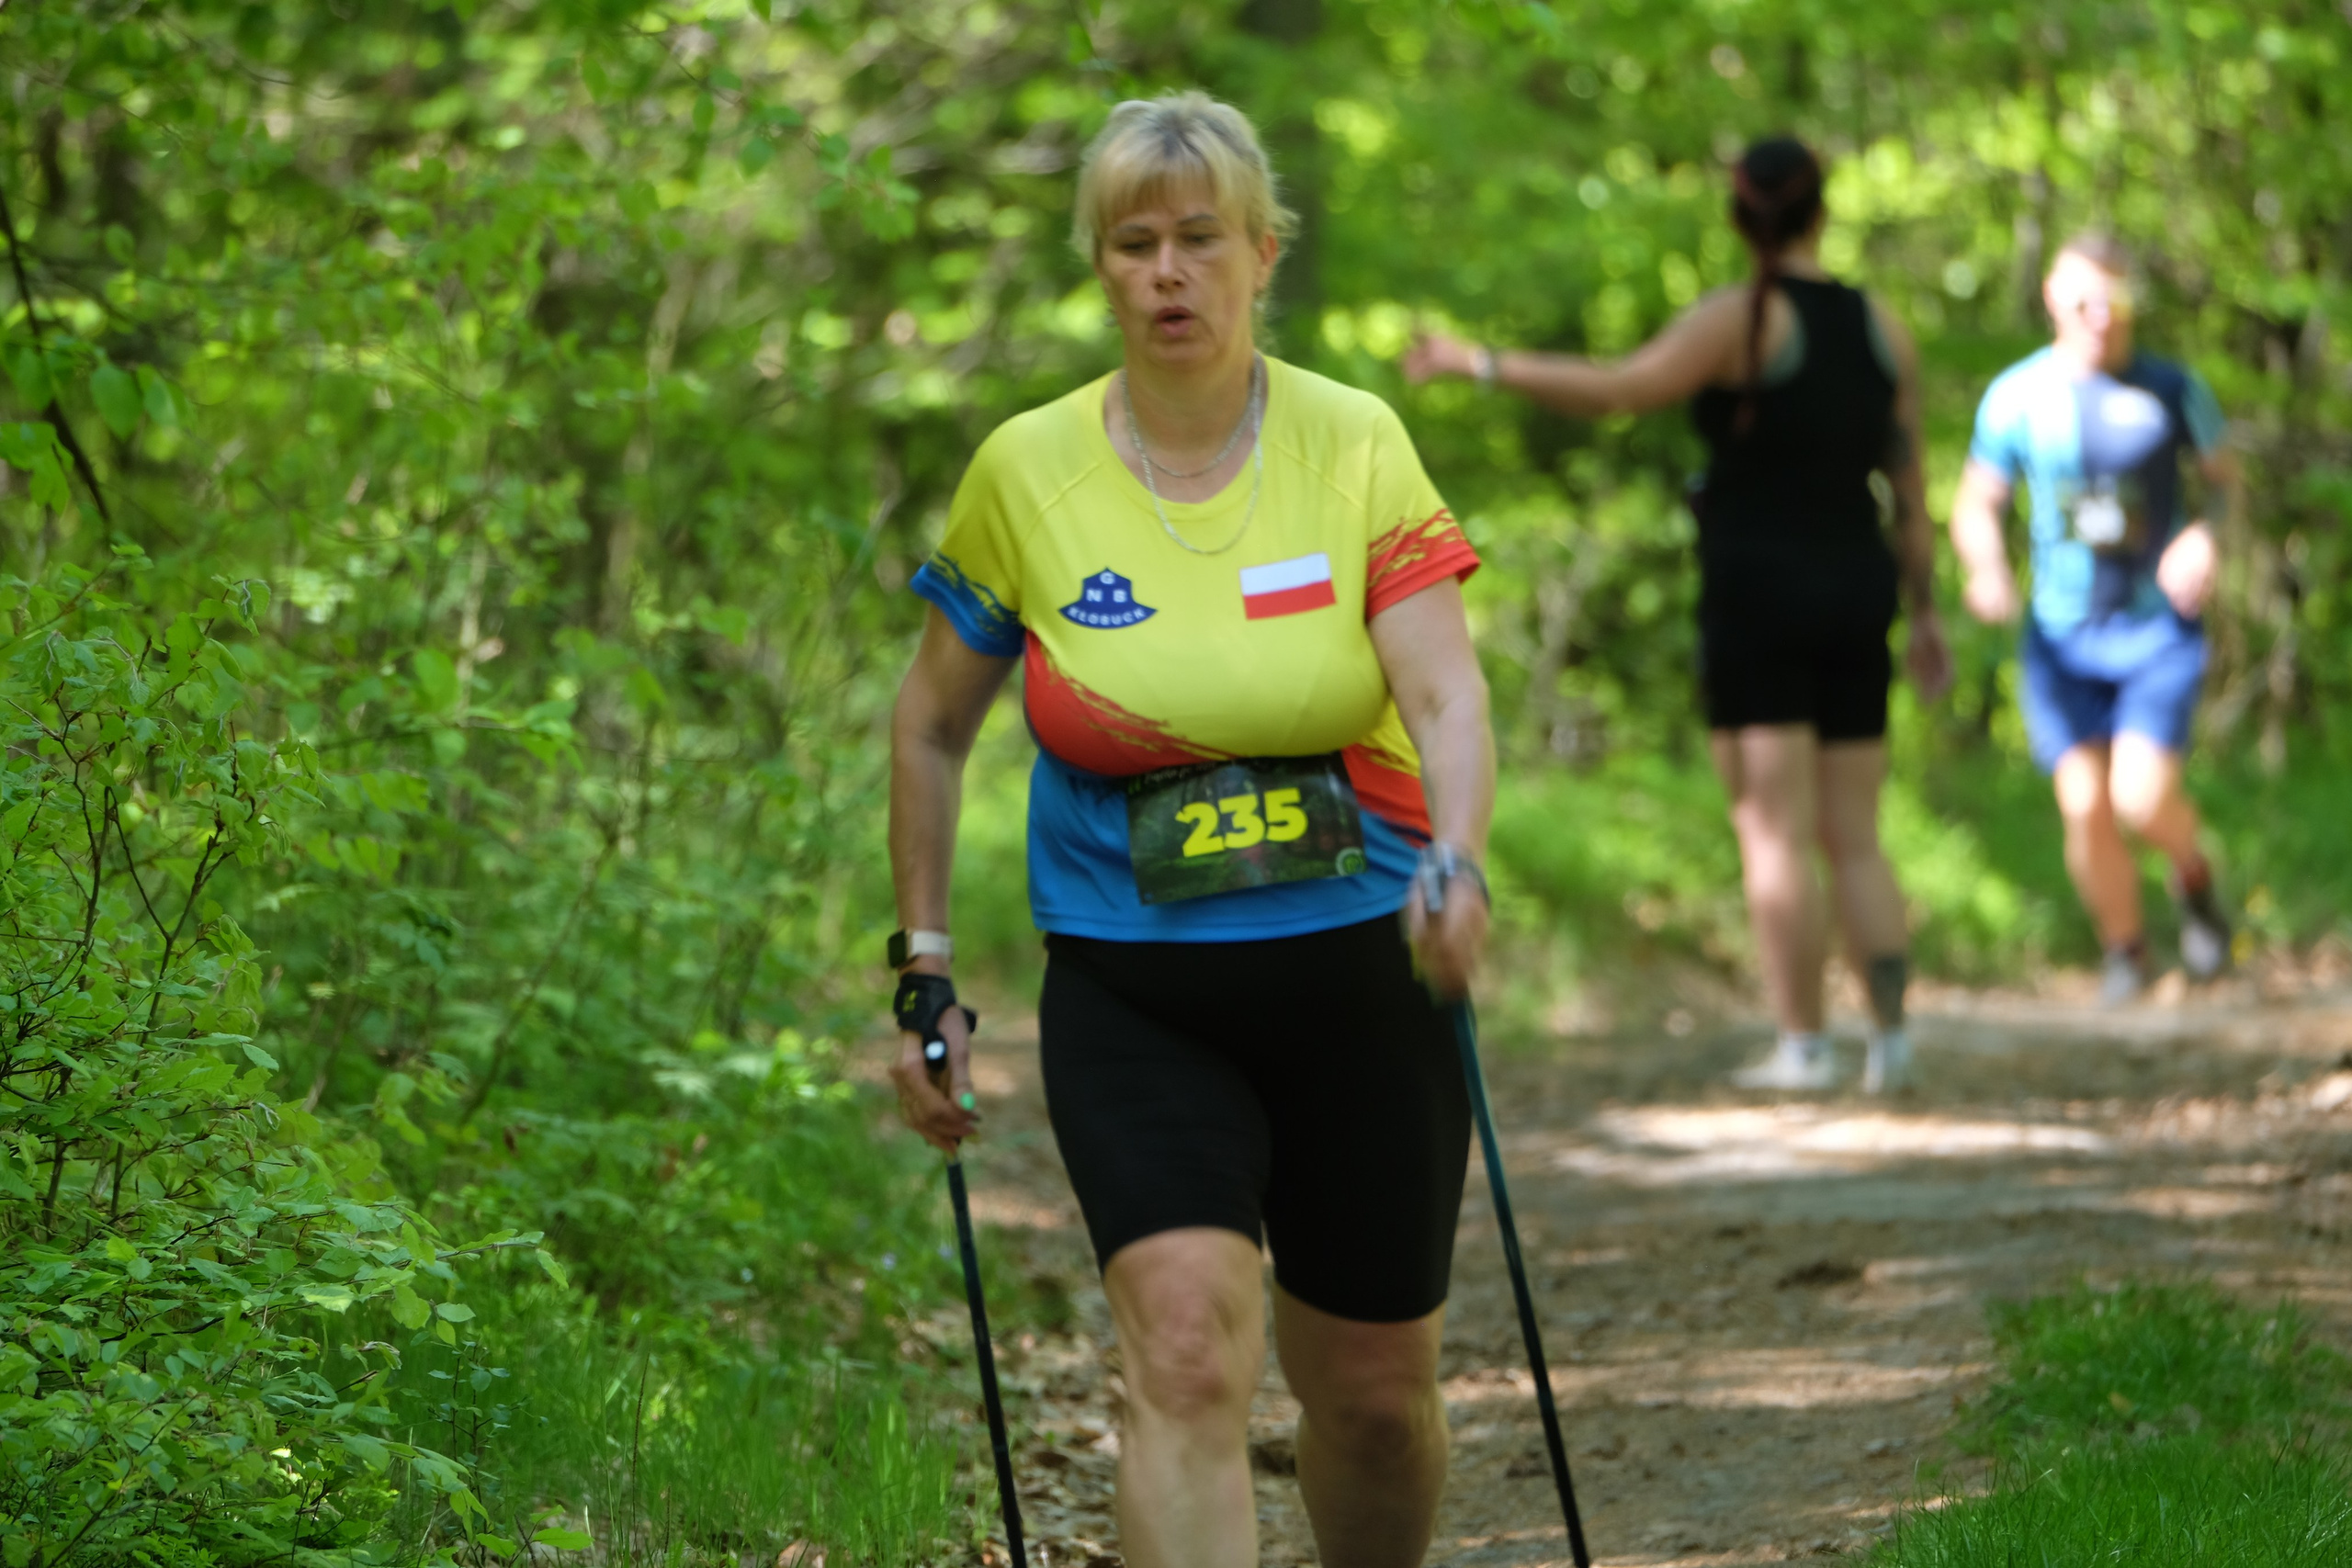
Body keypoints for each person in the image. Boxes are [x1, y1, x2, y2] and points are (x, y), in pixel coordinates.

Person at [886, 92, 1495, 1568]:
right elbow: (929, 723)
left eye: (1200, 239)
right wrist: (921, 963)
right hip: (1135, 983)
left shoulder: (1354, 444)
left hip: (1362, 971)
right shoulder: (1027, 471)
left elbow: (1445, 685)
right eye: (1135, 242)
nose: (1169, 271)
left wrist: (1461, 856)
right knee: (1180, 1354)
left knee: (1369, 1401)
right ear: (1100, 265)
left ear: (1260, 253)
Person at [1407, 136, 1950, 1094]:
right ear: (1820, 211)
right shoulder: (1880, 327)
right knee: (1853, 830)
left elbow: (1619, 388)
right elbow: (1906, 484)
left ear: (1740, 218)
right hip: (1857, 586)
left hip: (1759, 595)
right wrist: (1928, 613)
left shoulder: (1738, 321)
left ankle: (1804, 1046)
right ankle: (1893, 1042)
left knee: (1773, 828)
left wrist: (1478, 363)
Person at [1948, 234, 2239, 1002]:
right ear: (2052, 297)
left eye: (2114, 300)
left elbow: (2224, 486)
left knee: (2139, 797)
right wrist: (1985, 568)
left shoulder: (2175, 388)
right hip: (2060, 638)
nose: (2100, 317)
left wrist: (2206, 536)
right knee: (2085, 803)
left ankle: (2194, 875)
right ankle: (2126, 954)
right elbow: (1977, 501)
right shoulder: (2017, 396)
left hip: (2156, 630)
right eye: (2083, 300)